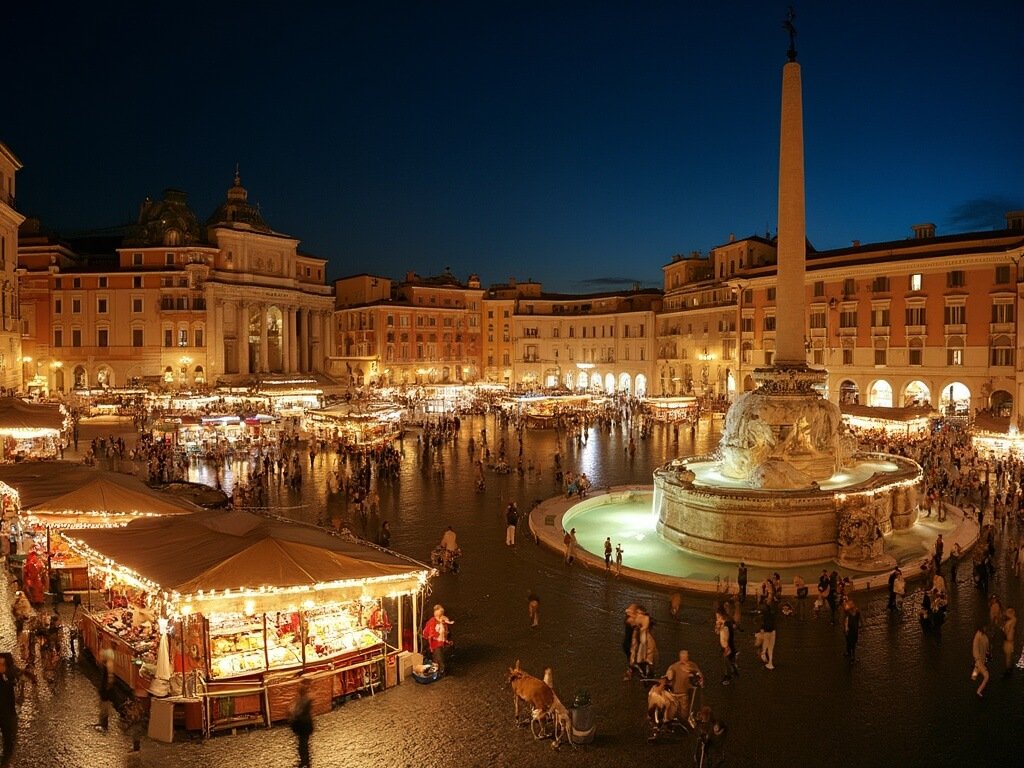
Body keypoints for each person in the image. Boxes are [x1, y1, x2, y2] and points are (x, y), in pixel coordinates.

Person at [0, 653, 23, 768]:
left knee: (9, 741)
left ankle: (5, 763)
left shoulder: (10, 676)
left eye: (2, 665)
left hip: (9, 715)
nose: (0, 667)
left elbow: (18, 679)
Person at [665, 650, 703, 717]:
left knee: (684, 712)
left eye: (686, 657)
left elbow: (699, 676)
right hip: (673, 695)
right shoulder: (674, 667)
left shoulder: (692, 666)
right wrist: (669, 676)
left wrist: (698, 680)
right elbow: (668, 677)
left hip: (684, 694)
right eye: (683, 657)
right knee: (672, 711)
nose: (685, 659)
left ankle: (684, 723)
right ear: (680, 657)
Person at [422, 604, 454, 675]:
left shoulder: (443, 621)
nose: (438, 617)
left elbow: (447, 631)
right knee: (437, 656)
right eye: (437, 615)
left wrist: (448, 639)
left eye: (439, 615)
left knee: (438, 657)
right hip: (435, 643)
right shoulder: (432, 621)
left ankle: (440, 670)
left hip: (441, 642)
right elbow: (428, 631)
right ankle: (440, 670)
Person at [289, 678, 314, 768]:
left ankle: (305, 763)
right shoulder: (303, 697)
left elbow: (299, 711)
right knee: (302, 745)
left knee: (303, 745)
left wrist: (293, 712)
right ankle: (305, 762)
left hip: (304, 725)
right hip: (303, 725)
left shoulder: (306, 699)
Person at [717, 611, 738, 685]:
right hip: (726, 646)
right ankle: (733, 669)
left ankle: (728, 676)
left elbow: (726, 636)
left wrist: (727, 647)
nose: (716, 619)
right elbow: (717, 632)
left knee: (726, 662)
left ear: (720, 617)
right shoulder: (725, 624)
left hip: (727, 647)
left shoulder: (725, 627)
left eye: (717, 617)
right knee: (726, 661)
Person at [96, 657, 116, 731]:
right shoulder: (108, 666)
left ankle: (104, 725)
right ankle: (103, 724)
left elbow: (109, 680)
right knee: (103, 708)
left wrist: (105, 690)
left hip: (105, 693)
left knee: (104, 708)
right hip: (105, 692)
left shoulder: (108, 667)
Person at [972, 623, 990, 697]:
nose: (986, 629)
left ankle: (973, 678)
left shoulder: (981, 635)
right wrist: (977, 659)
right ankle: (979, 691)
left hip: (980, 660)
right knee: (986, 676)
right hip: (979, 660)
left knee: (976, 670)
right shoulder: (979, 636)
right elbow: (976, 648)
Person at [759, 597, 777, 670]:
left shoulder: (764, 613)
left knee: (765, 644)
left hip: (766, 630)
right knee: (771, 648)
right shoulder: (774, 612)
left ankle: (763, 653)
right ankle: (770, 663)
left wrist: (761, 629)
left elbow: (763, 621)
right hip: (772, 630)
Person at [844, 599, 860, 664]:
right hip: (847, 631)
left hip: (853, 631)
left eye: (851, 604)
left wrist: (862, 626)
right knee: (848, 642)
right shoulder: (847, 613)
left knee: (852, 644)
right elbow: (844, 621)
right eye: (849, 604)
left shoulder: (857, 612)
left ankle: (853, 657)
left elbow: (860, 619)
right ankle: (848, 652)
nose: (850, 605)